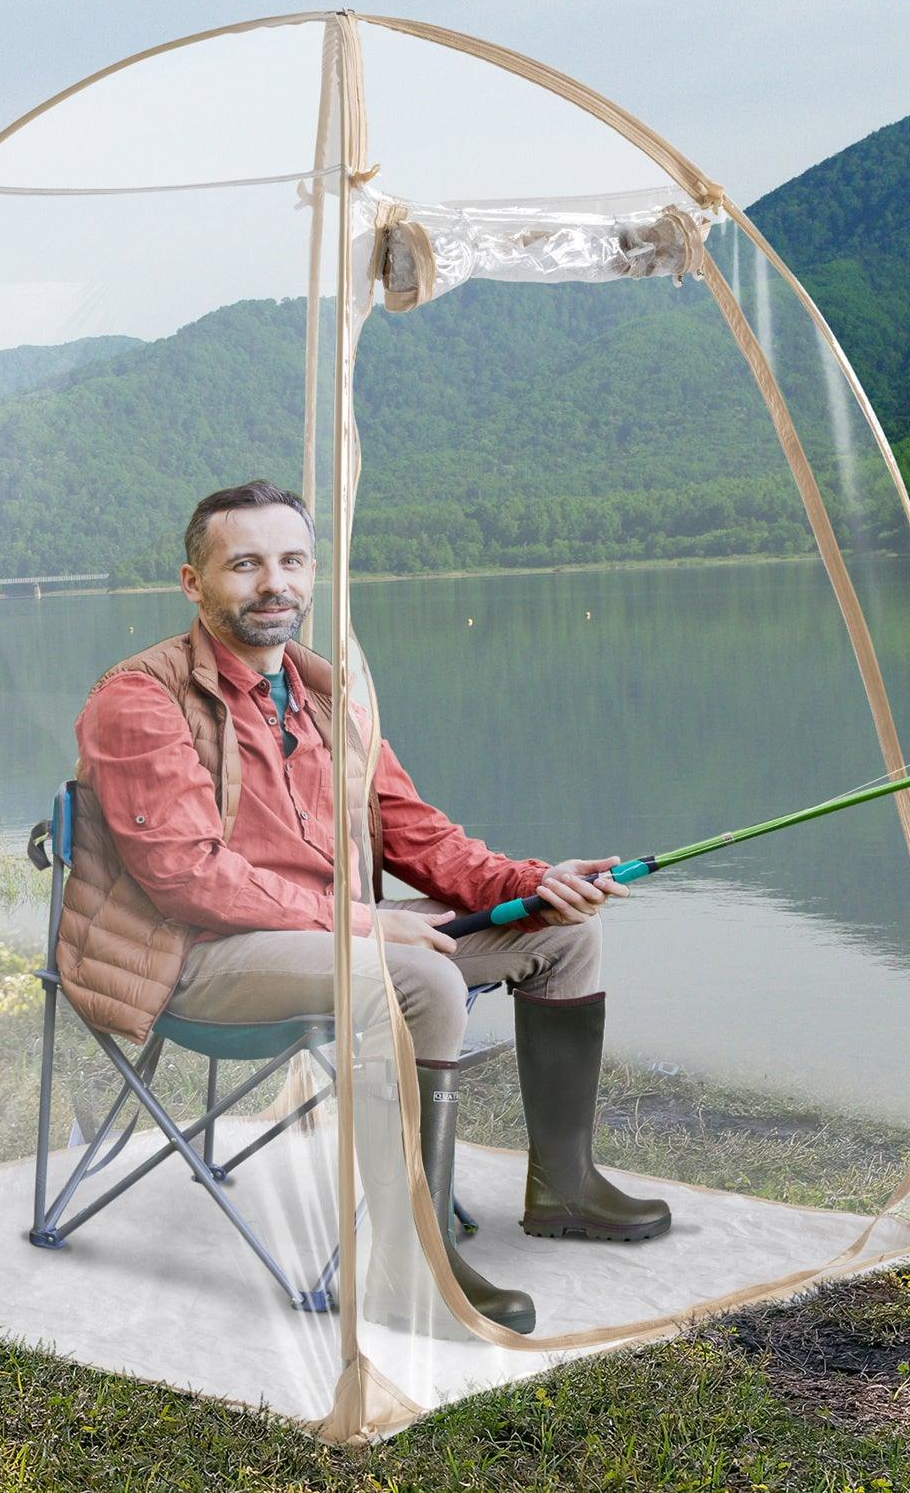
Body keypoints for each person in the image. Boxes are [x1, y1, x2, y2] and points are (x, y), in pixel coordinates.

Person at [61, 479, 669, 1338]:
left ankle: (564, 1187)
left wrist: (535, 883)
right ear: (193, 583)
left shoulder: (328, 697)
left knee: (565, 935)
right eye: (245, 564)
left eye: (292, 560)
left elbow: (422, 840)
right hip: (192, 959)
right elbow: (186, 876)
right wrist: (361, 923)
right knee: (414, 974)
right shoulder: (139, 700)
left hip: (324, 943)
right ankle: (404, 1268)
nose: (274, 583)